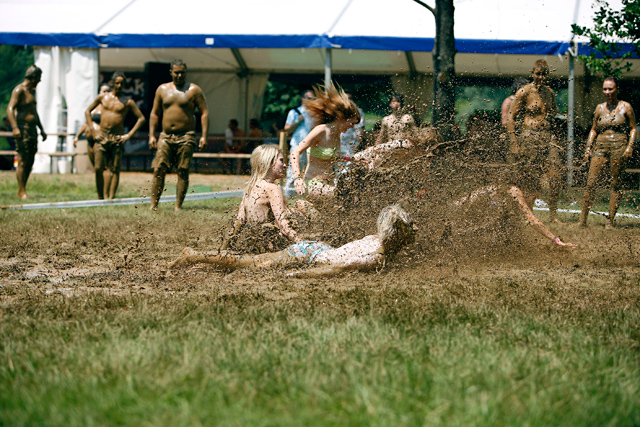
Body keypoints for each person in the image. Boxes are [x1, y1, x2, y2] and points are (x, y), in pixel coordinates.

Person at [169, 204, 417, 278]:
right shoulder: (378, 257)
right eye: (411, 229)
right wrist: (298, 276)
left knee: (254, 262)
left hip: (315, 249)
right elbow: (337, 268)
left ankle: (198, 257)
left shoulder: (376, 239)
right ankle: (193, 255)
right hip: (309, 255)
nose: (415, 232)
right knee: (249, 264)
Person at [506, 60, 565, 224]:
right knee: (530, 178)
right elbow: (511, 117)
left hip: (547, 137)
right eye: (538, 73)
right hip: (529, 137)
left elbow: (553, 113)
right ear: (532, 73)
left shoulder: (549, 92)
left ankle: (553, 216)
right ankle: (528, 214)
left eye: (544, 74)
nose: (541, 77)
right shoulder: (524, 91)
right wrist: (514, 143)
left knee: (556, 175)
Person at [148, 59, 209, 211]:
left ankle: (178, 206)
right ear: (171, 72)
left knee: (182, 169)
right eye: (176, 72)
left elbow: (204, 112)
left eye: (182, 72)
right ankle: (153, 205)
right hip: (166, 135)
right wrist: (151, 135)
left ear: (186, 72)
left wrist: (204, 135)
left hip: (186, 135)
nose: (179, 75)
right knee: (159, 169)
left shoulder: (194, 90)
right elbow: (155, 113)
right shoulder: (162, 89)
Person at [578, 76, 637, 229]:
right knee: (591, 183)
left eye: (610, 88)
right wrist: (588, 147)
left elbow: (633, 128)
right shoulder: (599, 108)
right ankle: (582, 220)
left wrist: (630, 147)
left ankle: (610, 221)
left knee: (616, 184)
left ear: (616, 89)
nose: (607, 92)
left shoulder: (626, 107)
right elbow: (594, 129)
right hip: (601, 146)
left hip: (619, 146)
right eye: (605, 89)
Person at [223, 144, 303, 250]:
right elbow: (284, 227)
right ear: (270, 163)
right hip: (271, 248)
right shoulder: (272, 188)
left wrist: (223, 248)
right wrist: (305, 244)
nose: (285, 165)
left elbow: (239, 222)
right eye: (281, 161)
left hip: (252, 247)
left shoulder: (250, 189)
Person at [290, 84, 361, 200]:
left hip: (329, 185)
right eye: (351, 123)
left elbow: (335, 157)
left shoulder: (337, 135)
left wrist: (353, 159)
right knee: (345, 197)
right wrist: (297, 179)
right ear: (342, 118)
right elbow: (295, 152)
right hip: (312, 184)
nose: (351, 127)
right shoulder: (321, 130)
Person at [453, 185, 577, 248]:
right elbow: (533, 220)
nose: (533, 202)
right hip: (459, 211)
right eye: (534, 198)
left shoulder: (507, 190)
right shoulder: (514, 191)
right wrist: (556, 240)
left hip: (463, 211)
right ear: (528, 192)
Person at [83, 74, 145, 199]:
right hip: (102, 136)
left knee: (115, 169)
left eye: (122, 83)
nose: (119, 86)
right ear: (112, 83)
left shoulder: (128, 101)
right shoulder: (103, 97)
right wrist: (93, 131)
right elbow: (87, 111)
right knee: (99, 167)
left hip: (117, 137)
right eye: (117, 83)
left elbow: (141, 118)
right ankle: (100, 197)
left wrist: (128, 135)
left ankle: (111, 197)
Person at [6, 65, 47, 199]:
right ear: (33, 77)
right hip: (22, 128)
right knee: (22, 159)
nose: (39, 81)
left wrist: (41, 129)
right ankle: (21, 190)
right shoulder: (19, 90)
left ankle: (22, 188)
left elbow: (34, 113)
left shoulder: (32, 92)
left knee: (31, 160)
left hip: (32, 129)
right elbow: (10, 109)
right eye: (39, 78)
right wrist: (14, 127)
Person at [74, 83, 112, 167]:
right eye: (104, 91)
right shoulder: (94, 107)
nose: (106, 93)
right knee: (95, 166)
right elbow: (86, 123)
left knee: (102, 165)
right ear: (99, 92)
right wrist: (78, 135)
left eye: (108, 91)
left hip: (101, 139)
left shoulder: (110, 108)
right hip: (90, 139)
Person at [284, 90, 315, 190]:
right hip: (297, 145)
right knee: (293, 171)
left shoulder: (315, 113)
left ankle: (307, 194)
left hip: (311, 147)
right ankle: (289, 194)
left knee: (310, 172)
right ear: (303, 98)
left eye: (313, 99)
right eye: (309, 98)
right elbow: (287, 129)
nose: (311, 101)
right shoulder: (294, 112)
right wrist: (297, 120)